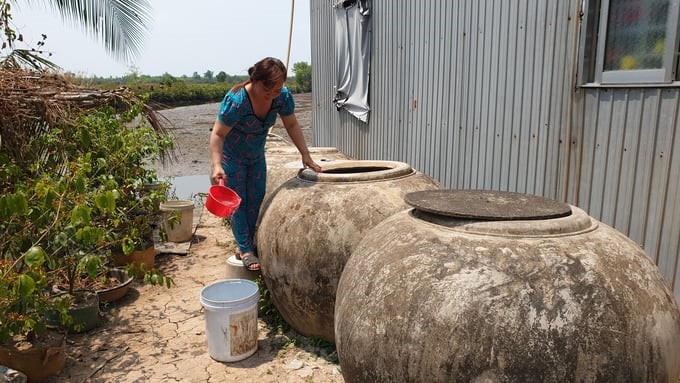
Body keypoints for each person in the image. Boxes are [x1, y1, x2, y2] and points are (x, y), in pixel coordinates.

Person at [209, 57, 322, 271]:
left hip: (256, 155)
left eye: (277, 90)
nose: (271, 95)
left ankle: (246, 243)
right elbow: (218, 134)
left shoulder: (283, 98)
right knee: (239, 202)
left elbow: (291, 123)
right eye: (267, 90)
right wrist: (217, 165)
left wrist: (305, 155)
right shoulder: (237, 100)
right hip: (232, 157)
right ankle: (246, 249)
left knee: (256, 198)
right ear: (255, 80)